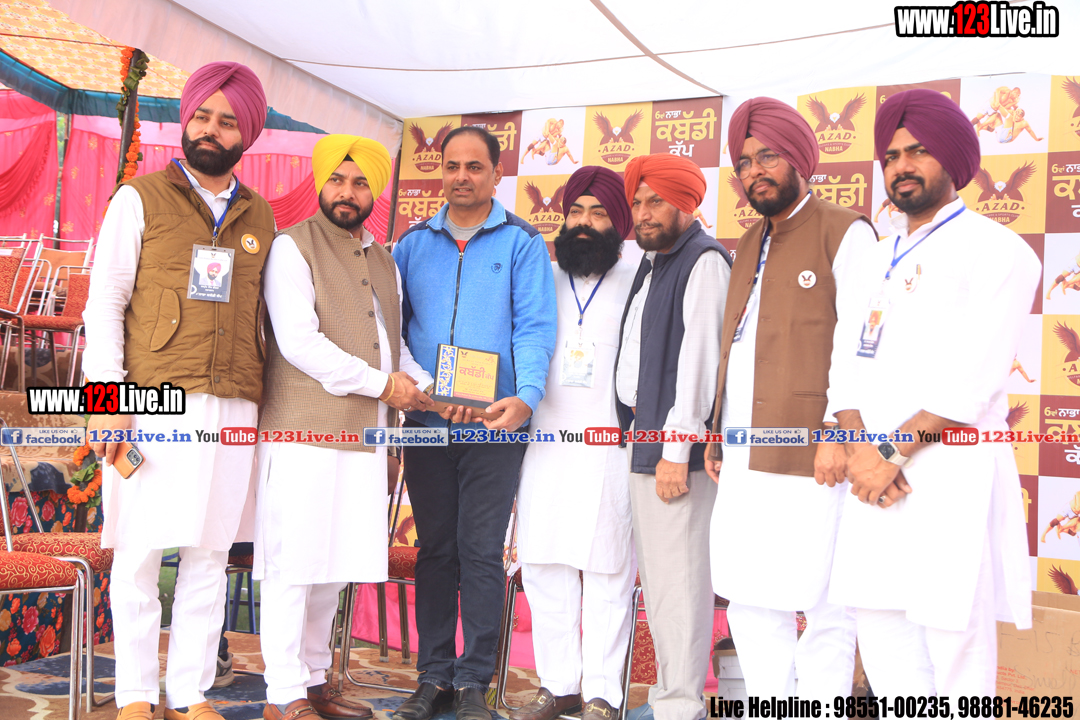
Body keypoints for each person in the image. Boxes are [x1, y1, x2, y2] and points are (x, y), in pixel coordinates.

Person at [827, 88, 1038, 696]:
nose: (902, 166)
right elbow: (844, 363)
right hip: (873, 480)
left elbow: (975, 379)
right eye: (891, 156)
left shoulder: (1000, 250)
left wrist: (888, 454)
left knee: (954, 648)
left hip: (948, 476)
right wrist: (861, 448)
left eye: (918, 151)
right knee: (881, 634)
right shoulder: (872, 257)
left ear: (952, 158)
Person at [82, 62, 273, 720]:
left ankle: (188, 693)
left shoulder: (260, 215)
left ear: (247, 133)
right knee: (139, 551)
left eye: (228, 121)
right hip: (152, 404)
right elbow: (105, 305)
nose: (212, 130)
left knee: (210, 555)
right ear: (186, 121)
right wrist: (106, 404)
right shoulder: (137, 199)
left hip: (236, 404)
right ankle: (136, 694)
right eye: (202, 117)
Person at [256, 135, 435, 720]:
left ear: (373, 192)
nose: (347, 192)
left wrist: (429, 386)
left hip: (365, 436)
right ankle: (282, 694)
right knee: (293, 564)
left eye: (360, 183)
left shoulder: (384, 259)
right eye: (338, 179)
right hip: (302, 432)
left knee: (331, 567)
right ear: (321, 183)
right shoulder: (292, 247)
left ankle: (313, 681)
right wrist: (384, 386)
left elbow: (394, 345)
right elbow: (299, 342)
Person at [703, 97, 875, 700]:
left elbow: (860, 344)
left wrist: (837, 431)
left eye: (768, 157)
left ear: (799, 157)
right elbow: (735, 345)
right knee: (749, 596)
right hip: (743, 453)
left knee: (826, 601)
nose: (755, 172)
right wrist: (717, 432)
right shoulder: (748, 241)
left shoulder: (845, 231)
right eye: (744, 163)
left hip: (814, 452)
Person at [391, 126, 557, 720]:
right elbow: (393, 331)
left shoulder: (523, 242)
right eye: (452, 166)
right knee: (435, 549)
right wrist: (419, 394)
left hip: (494, 426)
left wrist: (527, 397)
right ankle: (433, 675)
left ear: (496, 173)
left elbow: (534, 327)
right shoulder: (411, 245)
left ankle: (473, 682)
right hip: (428, 422)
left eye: (475, 166)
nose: (461, 176)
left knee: (481, 551)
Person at [513, 166, 639, 720]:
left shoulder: (640, 273)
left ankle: (602, 693)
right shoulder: (541, 272)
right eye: (575, 212)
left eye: (598, 213)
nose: (584, 223)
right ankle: (558, 685)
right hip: (544, 441)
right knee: (544, 565)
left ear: (620, 222)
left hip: (611, 447)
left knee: (608, 568)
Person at [613, 154, 730, 720]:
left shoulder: (703, 260)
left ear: (686, 203)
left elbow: (699, 365)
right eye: (637, 201)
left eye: (656, 200)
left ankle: (681, 706)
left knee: (680, 584)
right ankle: (669, 699)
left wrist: (675, 453)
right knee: (662, 585)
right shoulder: (654, 260)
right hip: (646, 443)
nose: (643, 212)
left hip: (672, 452)